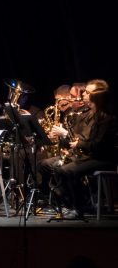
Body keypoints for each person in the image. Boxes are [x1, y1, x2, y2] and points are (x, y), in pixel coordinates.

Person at [49, 80, 116, 219]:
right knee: (60, 167)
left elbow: (97, 145)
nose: (83, 94)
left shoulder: (106, 119)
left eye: (87, 92)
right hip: (92, 156)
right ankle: (70, 204)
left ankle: (78, 209)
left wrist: (78, 144)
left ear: (96, 97)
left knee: (68, 170)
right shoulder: (93, 114)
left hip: (103, 158)